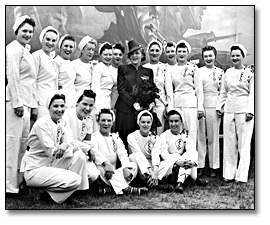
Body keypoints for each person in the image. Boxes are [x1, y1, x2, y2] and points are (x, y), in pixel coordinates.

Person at [20, 93, 89, 204]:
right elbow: (52, 152)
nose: (59, 109)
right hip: (35, 168)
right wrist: (67, 146)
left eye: (62, 106)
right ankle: (49, 195)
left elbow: (67, 141)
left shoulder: (62, 121)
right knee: (76, 179)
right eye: (56, 106)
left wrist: (65, 145)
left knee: (79, 156)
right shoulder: (42, 124)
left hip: (50, 164)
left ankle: (64, 196)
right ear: (49, 107)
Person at [6, 15, 37, 194]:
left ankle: (17, 182)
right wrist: (17, 103)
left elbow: (30, 81)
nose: (27, 34)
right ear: (16, 31)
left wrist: (31, 105)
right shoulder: (12, 49)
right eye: (24, 31)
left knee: (23, 144)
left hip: (25, 103)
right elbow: (13, 77)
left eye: (30, 31)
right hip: (14, 103)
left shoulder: (25, 49)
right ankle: (8, 186)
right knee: (12, 143)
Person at [216, 44, 254, 183]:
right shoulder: (228, 72)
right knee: (229, 142)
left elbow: (253, 94)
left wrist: (250, 111)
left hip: (244, 110)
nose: (235, 58)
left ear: (243, 56)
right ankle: (229, 173)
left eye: (238, 55)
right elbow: (223, 92)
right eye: (233, 55)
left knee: (244, 143)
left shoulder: (250, 73)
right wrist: (220, 106)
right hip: (229, 109)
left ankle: (241, 176)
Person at [90, 108, 148, 195]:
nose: (106, 123)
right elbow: (95, 152)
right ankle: (128, 189)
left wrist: (125, 167)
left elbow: (123, 153)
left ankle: (110, 189)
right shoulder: (94, 137)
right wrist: (106, 164)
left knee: (132, 166)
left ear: (112, 122)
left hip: (113, 174)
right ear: (98, 122)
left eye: (109, 121)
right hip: (102, 171)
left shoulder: (115, 137)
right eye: (103, 120)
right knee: (98, 169)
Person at [114, 39, 154, 150]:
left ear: (142, 55)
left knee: (139, 141)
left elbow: (150, 90)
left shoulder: (148, 71)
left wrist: (150, 102)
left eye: (137, 53)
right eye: (132, 54)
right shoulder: (123, 69)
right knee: (123, 139)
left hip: (141, 111)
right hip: (125, 110)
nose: (134, 56)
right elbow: (121, 89)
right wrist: (133, 103)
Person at [160, 108, 208, 193]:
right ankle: (194, 178)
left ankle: (180, 182)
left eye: (176, 121)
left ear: (181, 122)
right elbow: (164, 154)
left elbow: (192, 150)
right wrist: (176, 161)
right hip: (169, 166)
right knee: (177, 155)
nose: (173, 124)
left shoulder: (185, 136)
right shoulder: (164, 136)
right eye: (171, 121)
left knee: (192, 153)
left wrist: (193, 162)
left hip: (181, 165)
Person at [166, 39, 204, 145]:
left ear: (188, 53)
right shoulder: (170, 69)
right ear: (176, 53)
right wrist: (170, 108)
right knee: (178, 134)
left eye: (184, 51)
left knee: (191, 134)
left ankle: (192, 159)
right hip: (177, 104)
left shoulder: (193, 68)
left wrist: (200, 107)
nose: (181, 54)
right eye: (179, 51)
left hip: (191, 104)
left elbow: (199, 89)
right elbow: (169, 91)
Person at [128, 110, 175, 192]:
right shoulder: (132, 136)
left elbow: (155, 155)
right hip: (139, 166)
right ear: (138, 123)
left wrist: (155, 171)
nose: (145, 125)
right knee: (134, 156)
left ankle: (149, 181)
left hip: (152, 165)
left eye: (148, 122)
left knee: (169, 163)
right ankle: (156, 183)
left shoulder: (156, 138)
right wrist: (150, 171)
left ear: (151, 123)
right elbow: (138, 154)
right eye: (143, 122)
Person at [197, 46, 224, 177]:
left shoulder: (220, 72)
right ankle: (200, 165)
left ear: (215, 56)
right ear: (203, 58)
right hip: (202, 105)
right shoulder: (198, 71)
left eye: (210, 56)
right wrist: (199, 107)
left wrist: (220, 107)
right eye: (206, 56)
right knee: (201, 136)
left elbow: (222, 92)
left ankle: (214, 166)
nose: (208, 58)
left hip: (215, 105)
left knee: (213, 137)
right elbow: (198, 90)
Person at [63, 89, 100, 184]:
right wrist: (88, 149)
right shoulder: (67, 115)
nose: (87, 108)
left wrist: (90, 151)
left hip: (80, 152)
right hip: (64, 153)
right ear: (77, 103)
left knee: (93, 174)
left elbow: (87, 141)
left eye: (91, 105)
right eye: (84, 104)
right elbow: (68, 140)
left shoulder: (89, 120)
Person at [32, 26, 60, 119]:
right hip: (40, 102)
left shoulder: (53, 59)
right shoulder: (36, 56)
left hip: (50, 102)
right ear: (42, 39)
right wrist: (34, 106)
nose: (50, 43)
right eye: (47, 39)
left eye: (53, 40)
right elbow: (32, 81)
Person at [143, 39, 170, 135]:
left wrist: (168, 106)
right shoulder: (143, 68)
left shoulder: (165, 68)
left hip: (161, 104)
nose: (154, 53)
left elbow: (168, 89)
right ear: (148, 51)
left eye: (157, 50)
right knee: (147, 132)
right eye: (152, 50)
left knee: (159, 134)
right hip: (146, 105)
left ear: (161, 52)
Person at [54, 34, 77, 115]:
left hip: (72, 102)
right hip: (61, 102)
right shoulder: (56, 62)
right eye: (66, 46)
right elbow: (54, 83)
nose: (68, 49)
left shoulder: (70, 63)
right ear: (60, 47)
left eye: (71, 47)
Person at [91, 42, 114, 115]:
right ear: (100, 55)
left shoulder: (110, 68)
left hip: (107, 100)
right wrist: (97, 108)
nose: (108, 57)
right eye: (105, 54)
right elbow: (95, 89)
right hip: (99, 101)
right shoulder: (98, 68)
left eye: (110, 55)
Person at [110, 43, 125, 109]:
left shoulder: (125, 70)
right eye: (115, 54)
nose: (118, 56)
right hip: (110, 104)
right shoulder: (108, 70)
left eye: (120, 55)